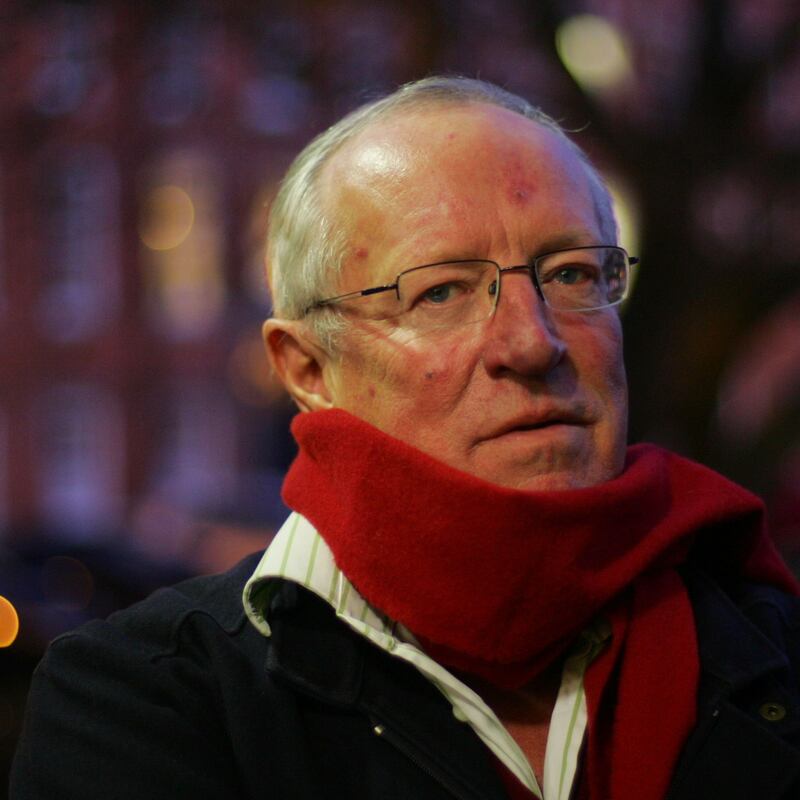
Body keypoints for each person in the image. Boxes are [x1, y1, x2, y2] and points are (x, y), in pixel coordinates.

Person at [11, 77, 800, 800]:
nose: (533, 342)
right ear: (308, 369)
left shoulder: (770, 646)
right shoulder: (134, 705)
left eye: (571, 274)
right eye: (442, 291)